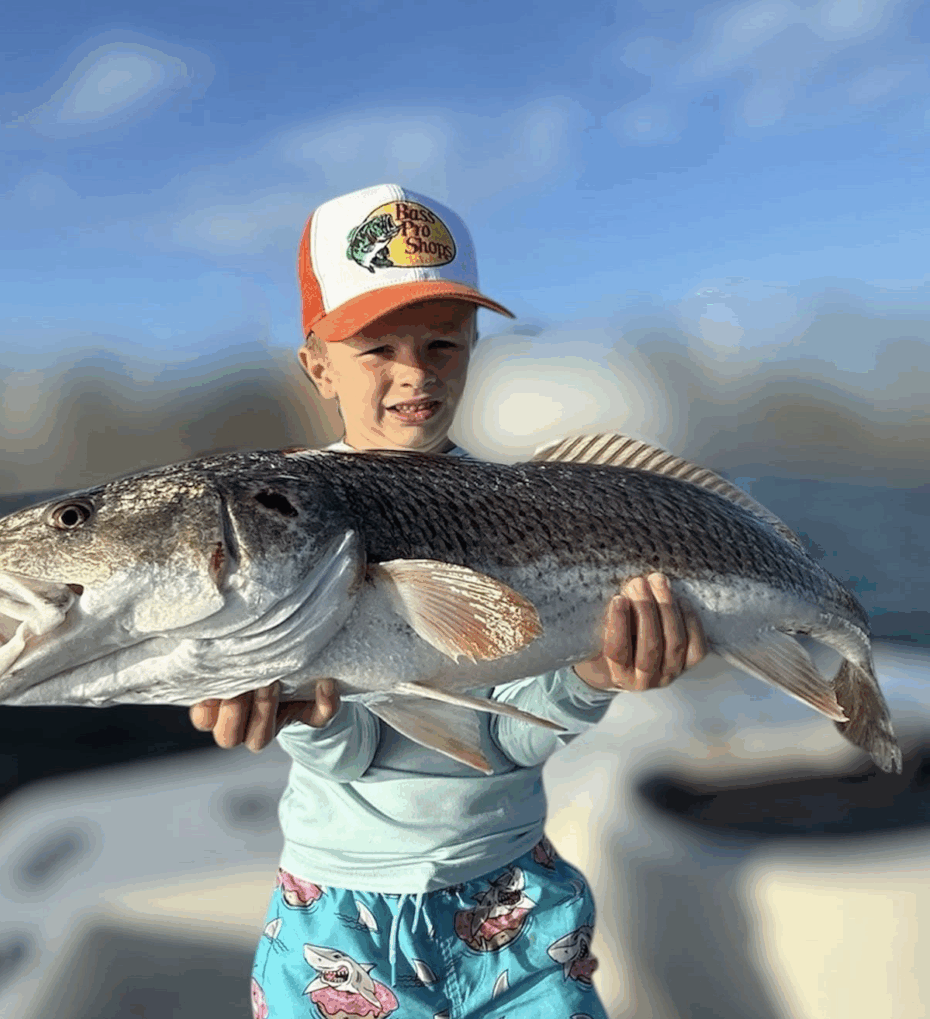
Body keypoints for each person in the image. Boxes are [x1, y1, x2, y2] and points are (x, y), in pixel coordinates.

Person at [188, 183, 707, 1019]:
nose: (414, 373)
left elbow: (503, 737)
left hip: (517, 889)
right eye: (376, 348)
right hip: (337, 907)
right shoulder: (282, 517)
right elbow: (350, 745)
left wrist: (594, 673)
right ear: (316, 364)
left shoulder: (515, 507)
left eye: (442, 344)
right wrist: (308, 718)